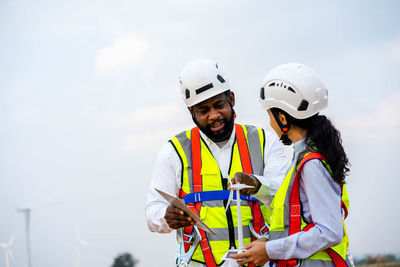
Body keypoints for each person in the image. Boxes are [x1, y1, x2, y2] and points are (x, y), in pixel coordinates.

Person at [145, 59, 288, 267]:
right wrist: (166, 216)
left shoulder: (265, 142)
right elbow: (152, 212)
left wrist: (258, 185)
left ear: (231, 98)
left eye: (219, 105)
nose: (214, 116)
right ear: (191, 112)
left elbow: (287, 197)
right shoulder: (173, 151)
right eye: (203, 110)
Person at [231, 63, 352, 267]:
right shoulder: (305, 158)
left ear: (283, 118)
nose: (269, 123)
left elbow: (329, 232)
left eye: (270, 116)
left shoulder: (311, 163)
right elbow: (300, 221)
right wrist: (268, 243)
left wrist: (270, 250)